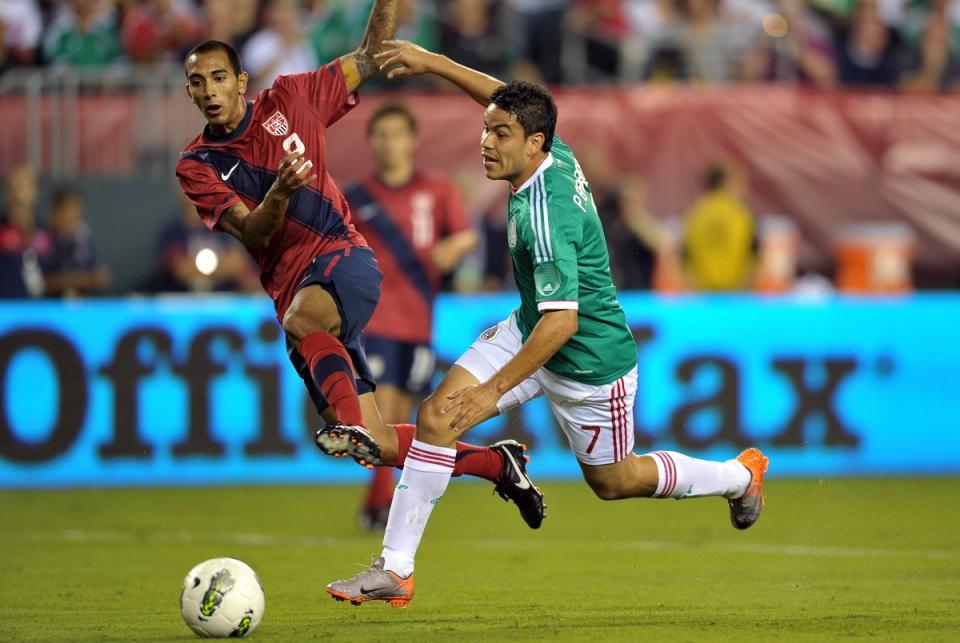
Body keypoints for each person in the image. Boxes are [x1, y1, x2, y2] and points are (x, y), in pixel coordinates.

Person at [324, 41, 770, 608]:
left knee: (614, 482)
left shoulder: (547, 214)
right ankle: (395, 570)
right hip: (532, 325)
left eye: (499, 135)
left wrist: (492, 393)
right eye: (487, 130)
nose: (485, 142)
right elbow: (508, 101)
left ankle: (738, 474)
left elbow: (564, 322)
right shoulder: (550, 148)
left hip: (587, 358)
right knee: (437, 415)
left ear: (532, 143)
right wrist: (433, 64)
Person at [175, 4, 541, 534]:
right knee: (379, 440)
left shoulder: (293, 97)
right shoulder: (198, 165)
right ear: (189, 93)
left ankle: (353, 429)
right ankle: (496, 465)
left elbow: (371, 56)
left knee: (303, 325)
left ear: (240, 82)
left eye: (217, 78)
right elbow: (253, 232)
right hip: (294, 290)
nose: (209, 90)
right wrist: (279, 192)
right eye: (196, 82)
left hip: (343, 259)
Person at [347, 102, 479, 531]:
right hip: (376, 321)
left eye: (396, 134)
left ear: (412, 140)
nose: (388, 143)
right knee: (382, 413)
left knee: (404, 417)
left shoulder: (437, 190)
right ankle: (380, 503)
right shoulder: (356, 199)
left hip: (419, 321)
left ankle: (378, 503)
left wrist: (452, 249)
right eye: (380, 135)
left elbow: (466, 234)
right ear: (371, 143)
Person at [681, 163, 757, 291]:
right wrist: (744, 287)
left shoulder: (695, 214)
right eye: (737, 182)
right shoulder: (740, 214)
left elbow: (684, 259)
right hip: (734, 290)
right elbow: (753, 256)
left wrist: (694, 288)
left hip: (702, 290)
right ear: (725, 183)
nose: (741, 187)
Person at [40, 185, 111, 297]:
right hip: (51, 305)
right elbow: (39, 282)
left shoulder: (83, 238)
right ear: (55, 211)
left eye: (77, 209)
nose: (72, 216)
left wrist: (98, 277)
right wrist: (78, 280)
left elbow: (94, 272)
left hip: (83, 305)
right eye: (67, 209)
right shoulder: (43, 239)